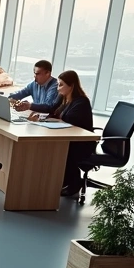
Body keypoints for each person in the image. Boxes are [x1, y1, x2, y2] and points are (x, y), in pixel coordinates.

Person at [30, 69, 95, 197]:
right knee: (51, 147)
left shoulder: (81, 102)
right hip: (69, 138)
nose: (58, 88)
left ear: (71, 86)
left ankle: (74, 182)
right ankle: (60, 180)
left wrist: (55, 117)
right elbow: (54, 112)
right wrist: (42, 116)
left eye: (61, 85)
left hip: (82, 144)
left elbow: (70, 119)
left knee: (58, 150)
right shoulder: (65, 99)